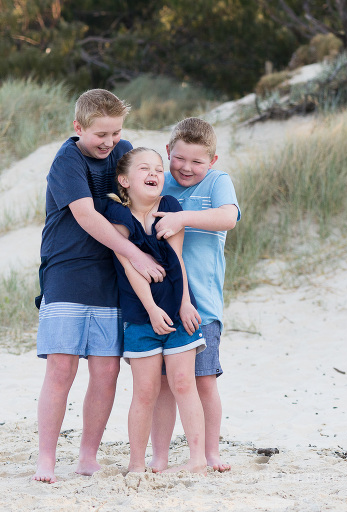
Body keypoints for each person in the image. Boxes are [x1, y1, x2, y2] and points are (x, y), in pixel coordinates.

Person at [33, 89, 165, 483]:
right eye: (99, 135)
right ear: (79, 127)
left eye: (115, 133)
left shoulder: (122, 151)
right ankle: (46, 459)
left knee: (106, 372)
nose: (108, 143)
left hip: (111, 277)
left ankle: (88, 456)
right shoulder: (66, 161)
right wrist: (137, 255)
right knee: (61, 369)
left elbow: (149, 183)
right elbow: (87, 216)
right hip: (67, 272)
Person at [103, 147, 207, 474]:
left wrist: (185, 303)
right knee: (145, 391)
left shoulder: (170, 208)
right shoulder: (116, 216)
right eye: (144, 168)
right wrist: (150, 309)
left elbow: (177, 259)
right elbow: (130, 265)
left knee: (182, 382)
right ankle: (136, 463)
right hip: (139, 316)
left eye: (159, 169)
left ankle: (197, 460)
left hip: (177, 313)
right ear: (124, 180)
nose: (154, 174)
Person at [150, 117, 241, 472]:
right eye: (180, 158)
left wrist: (182, 218)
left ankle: (210, 452)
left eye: (197, 161)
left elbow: (228, 218)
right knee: (163, 385)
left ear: (212, 161)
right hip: (161, 304)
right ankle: (159, 456)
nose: (187, 168)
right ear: (168, 151)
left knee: (203, 382)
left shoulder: (218, 182)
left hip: (203, 305)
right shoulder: (160, 181)